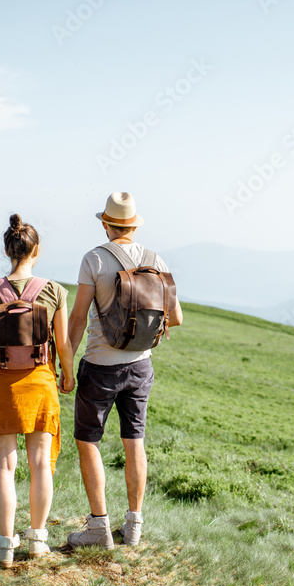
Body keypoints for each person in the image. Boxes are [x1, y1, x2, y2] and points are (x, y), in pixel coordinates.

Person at [65, 192, 183, 549]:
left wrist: (67, 364)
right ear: (133, 225)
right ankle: (133, 527)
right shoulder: (155, 259)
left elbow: (79, 316)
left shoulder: (94, 260)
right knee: (135, 441)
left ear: (105, 223)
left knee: (88, 441)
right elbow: (175, 318)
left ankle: (98, 528)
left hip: (100, 366)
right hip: (141, 365)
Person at [0, 214, 76, 567]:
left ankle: (3, 545)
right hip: (40, 381)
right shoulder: (55, 291)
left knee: (4, 464)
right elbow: (64, 343)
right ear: (36, 250)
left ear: (7, 250)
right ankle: (38, 541)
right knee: (41, 463)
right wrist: (68, 374)